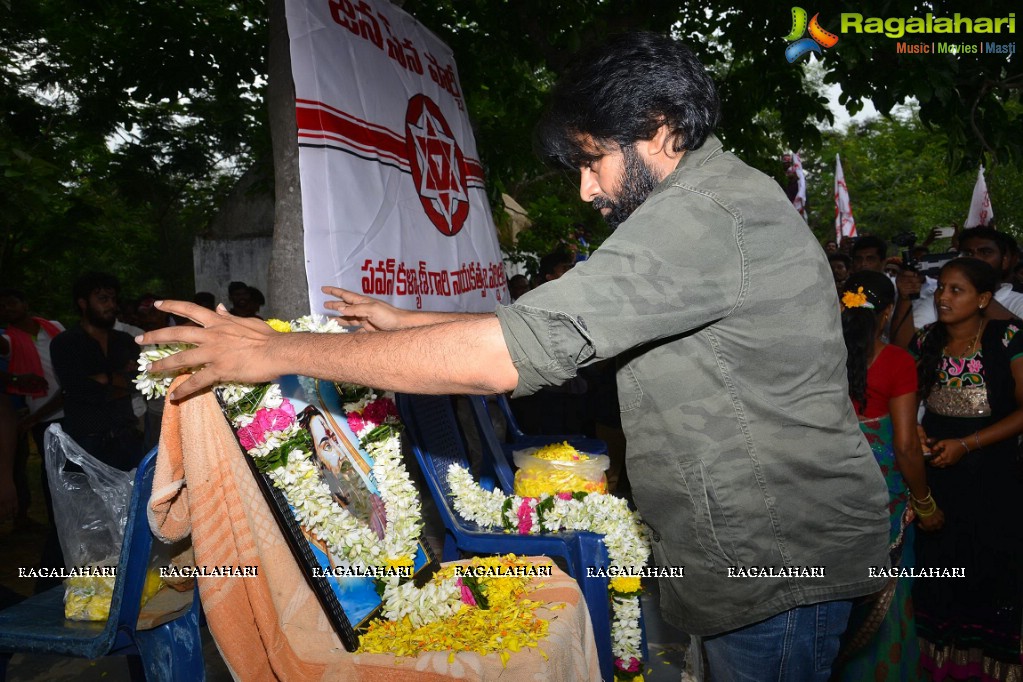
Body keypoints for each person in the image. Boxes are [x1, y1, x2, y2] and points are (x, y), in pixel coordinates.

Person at [141, 32, 889, 681]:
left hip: (778, 552)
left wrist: (276, 353)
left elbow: (504, 357)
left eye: (592, 160)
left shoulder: (701, 215)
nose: (588, 189)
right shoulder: (710, 203)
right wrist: (405, 323)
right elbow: (555, 324)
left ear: (658, 128)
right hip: (751, 545)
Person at [908, 258, 1023, 681]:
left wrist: (968, 444)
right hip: (937, 475)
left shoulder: (1008, 337)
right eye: (941, 288)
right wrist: (916, 434)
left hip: (993, 479)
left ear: (983, 299)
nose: (943, 297)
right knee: (938, 571)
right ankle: (937, 667)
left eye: (957, 290)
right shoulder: (925, 341)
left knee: (991, 569)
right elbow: (907, 404)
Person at [832, 271, 942, 682]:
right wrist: (926, 501)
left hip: (830, 489)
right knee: (890, 595)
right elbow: (906, 445)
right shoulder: (896, 359)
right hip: (885, 495)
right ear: (889, 312)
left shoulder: (820, 356)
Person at [51, 272, 144, 471]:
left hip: (127, 438)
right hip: (86, 443)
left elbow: (139, 382)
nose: (111, 305)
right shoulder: (65, 343)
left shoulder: (125, 341)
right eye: (103, 299)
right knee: (88, 500)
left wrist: (105, 378)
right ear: (83, 303)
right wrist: (121, 381)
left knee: (134, 499)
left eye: (113, 299)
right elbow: (79, 389)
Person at [0, 288, 65, 524]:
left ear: (25, 304)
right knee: (53, 476)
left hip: (74, 409)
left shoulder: (54, 327)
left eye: (11, 302)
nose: (7, 308)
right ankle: (58, 525)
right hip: (43, 417)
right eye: (3, 306)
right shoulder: (8, 340)